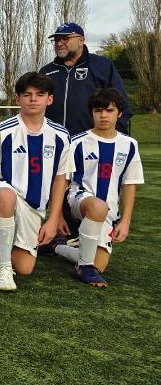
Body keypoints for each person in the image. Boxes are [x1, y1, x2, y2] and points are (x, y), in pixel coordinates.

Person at [0, 72, 72, 292]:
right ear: (18, 99)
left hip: (34, 206)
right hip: (2, 193)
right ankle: (3, 269)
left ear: (49, 99)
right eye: (27, 94)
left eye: (40, 94)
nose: (33, 99)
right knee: (6, 195)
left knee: (24, 267)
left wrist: (53, 219)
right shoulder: (3, 130)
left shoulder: (61, 135)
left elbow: (60, 179)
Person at [52, 88, 143, 286]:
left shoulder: (129, 145)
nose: (103, 115)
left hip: (108, 211)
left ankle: (58, 246)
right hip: (78, 199)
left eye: (109, 110)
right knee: (97, 206)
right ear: (91, 113)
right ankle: (83, 267)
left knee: (98, 265)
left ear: (119, 113)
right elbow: (62, 181)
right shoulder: (77, 142)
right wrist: (57, 216)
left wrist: (125, 222)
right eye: (98, 110)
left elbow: (130, 184)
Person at [39, 23, 132, 136]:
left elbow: (122, 105)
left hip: (92, 142)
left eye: (65, 38)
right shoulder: (46, 71)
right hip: (53, 142)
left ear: (81, 41)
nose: (59, 43)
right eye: (57, 39)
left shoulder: (102, 66)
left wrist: (110, 138)